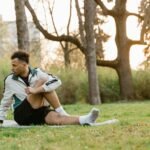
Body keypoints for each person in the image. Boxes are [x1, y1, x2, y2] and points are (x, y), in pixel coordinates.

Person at [0, 51, 99, 126]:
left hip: (39, 111)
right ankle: (63, 112)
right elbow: (6, 101)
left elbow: (57, 81)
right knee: (43, 80)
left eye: (14, 65)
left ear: (24, 65)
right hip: (22, 113)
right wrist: (0, 117)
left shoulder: (37, 72)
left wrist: (35, 90)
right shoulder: (10, 80)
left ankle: (84, 119)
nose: (12, 68)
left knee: (57, 118)